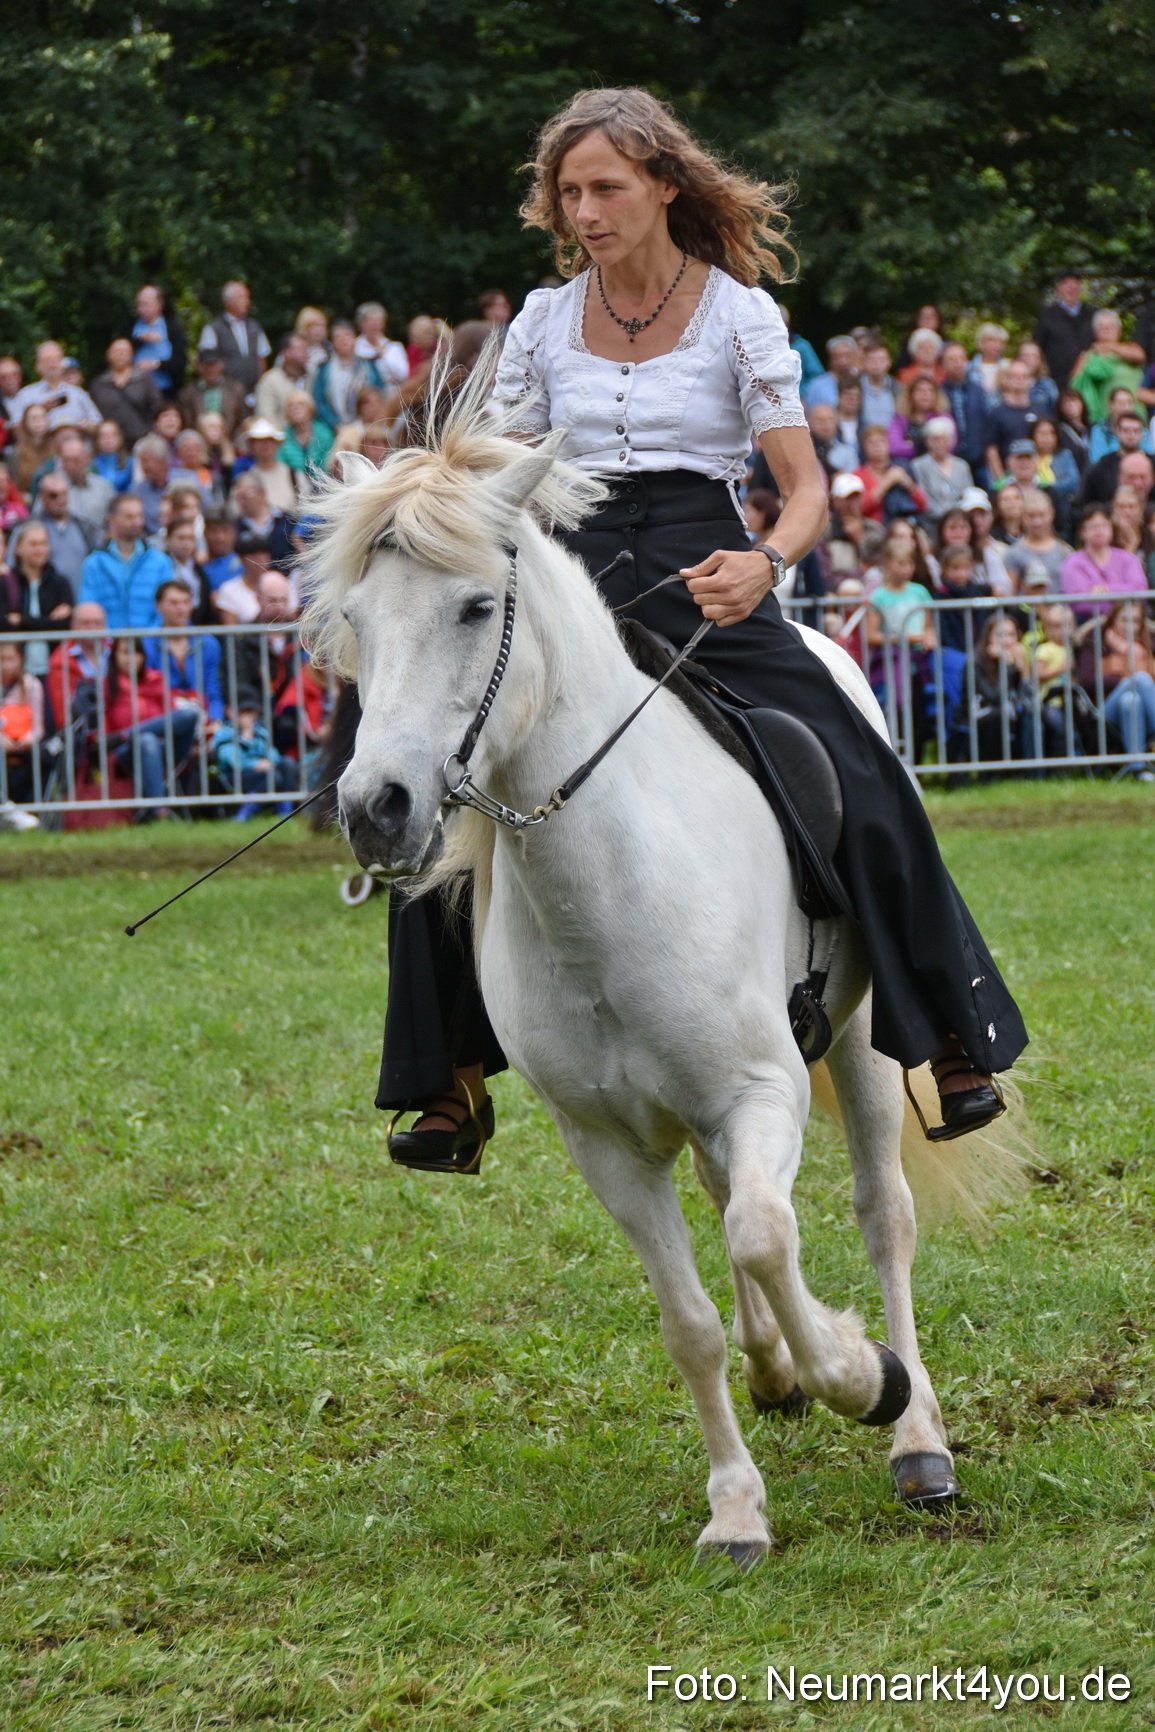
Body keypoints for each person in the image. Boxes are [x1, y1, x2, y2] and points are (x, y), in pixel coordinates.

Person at [378, 84, 1024, 1172]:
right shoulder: (541, 320)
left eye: (606, 188)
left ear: (664, 184)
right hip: (570, 581)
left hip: (706, 572)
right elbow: (504, 478)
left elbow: (806, 490)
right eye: (568, 192)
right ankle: (444, 1080)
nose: (584, 211)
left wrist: (767, 562)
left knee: (862, 768)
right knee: (438, 780)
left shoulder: (739, 312)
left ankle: (952, 1036)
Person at [103, 634, 199, 817]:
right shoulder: (107, 686)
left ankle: (129, 733)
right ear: (114, 656)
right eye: (125, 652)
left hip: (165, 747)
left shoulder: (157, 680)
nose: (132, 658)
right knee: (147, 740)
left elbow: (172, 720)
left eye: (136, 653)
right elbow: (103, 734)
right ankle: (160, 811)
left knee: (190, 713)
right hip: (125, 751)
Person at [78, 493, 171, 630]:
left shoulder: (160, 562)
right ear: (112, 520)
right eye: (129, 517)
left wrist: (148, 640)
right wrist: (110, 642)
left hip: (150, 644)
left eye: (139, 516)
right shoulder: (94, 563)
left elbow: (166, 607)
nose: (136, 522)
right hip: (107, 645)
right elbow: (88, 606)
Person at [1087, 599, 1155, 777]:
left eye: (1136, 620)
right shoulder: (1095, 641)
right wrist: (1127, 654)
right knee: (1139, 679)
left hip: (1143, 713)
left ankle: (1138, 770)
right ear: (1113, 620)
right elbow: (1089, 680)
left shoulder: (1149, 643)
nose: (1130, 626)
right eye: (1125, 620)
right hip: (1104, 711)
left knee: (1131, 700)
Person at [144, 576, 224, 725]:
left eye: (186, 602)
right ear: (158, 606)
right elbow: (149, 691)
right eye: (174, 603)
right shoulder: (146, 644)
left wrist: (216, 719)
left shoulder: (208, 643)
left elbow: (213, 689)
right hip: (162, 718)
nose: (181, 608)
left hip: (203, 714)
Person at [211, 685, 297, 816]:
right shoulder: (224, 734)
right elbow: (235, 762)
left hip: (263, 772)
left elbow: (274, 755)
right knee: (271, 776)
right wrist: (246, 738)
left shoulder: (261, 732)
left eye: (252, 712)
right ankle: (243, 814)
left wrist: (267, 762)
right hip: (234, 777)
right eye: (244, 711)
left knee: (288, 764)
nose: (249, 717)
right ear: (229, 711)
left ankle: (285, 812)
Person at [7, 522, 73, 679]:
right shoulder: (8, 582)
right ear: (18, 548)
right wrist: (48, 620)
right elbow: (5, 624)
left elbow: (64, 625)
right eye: (33, 544)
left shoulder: (59, 582)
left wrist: (22, 620)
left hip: (53, 668)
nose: (39, 549)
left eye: (43, 543)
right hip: (16, 671)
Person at [1061, 502, 1147, 617]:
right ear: (1082, 532)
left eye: (1104, 525)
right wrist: (1119, 598)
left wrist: (1106, 590)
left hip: (1127, 620)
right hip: (1088, 621)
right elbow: (1078, 602)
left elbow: (1139, 589)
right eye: (1093, 527)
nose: (1099, 531)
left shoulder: (1128, 558)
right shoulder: (1073, 562)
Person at [1070, 309, 1147, 425]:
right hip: (1106, 421)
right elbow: (1074, 382)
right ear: (1095, 333)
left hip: (1136, 417)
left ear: (1119, 330)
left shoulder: (1129, 347)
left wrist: (1109, 346)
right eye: (1101, 327)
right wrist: (1088, 356)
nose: (1106, 330)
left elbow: (1140, 356)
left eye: (1111, 326)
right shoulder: (1089, 355)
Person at [10, 342, 100, 434]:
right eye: (47, 360)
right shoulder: (26, 395)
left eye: (57, 359)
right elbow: (16, 427)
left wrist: (86, 425)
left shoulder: (78, 394)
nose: (52, 363)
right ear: (37, 366)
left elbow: (98, 424)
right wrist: (40, 410)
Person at [199, 282, 271, 397]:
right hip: (226, 393)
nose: (247, 302)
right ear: (228, 301)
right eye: (242, 297)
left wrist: (260, 383)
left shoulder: (255, 327)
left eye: (247, 297)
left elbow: (262, 357)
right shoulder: (213, 328)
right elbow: (207, 361)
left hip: (253, 390)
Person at [312, 321, 384, 432]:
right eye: (338, 337)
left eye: (347, 335)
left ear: (355, 339)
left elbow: (380, 392)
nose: (343, 339)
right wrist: (335, 424)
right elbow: (319, 400)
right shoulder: (324, 369)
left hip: (368, 426)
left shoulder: (369, 365)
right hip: (334, 429)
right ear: (332, 343)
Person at [91, 338, 164, 445]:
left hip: (141, 439)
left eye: (124, 352)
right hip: (108, 443)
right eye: (116, 351)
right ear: (108, 355)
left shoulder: (145, 380)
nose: (120, 354)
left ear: (131, 355)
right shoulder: (99, 384)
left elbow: (157, 406)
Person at [1, 639, 47, 805]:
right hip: (2, 743)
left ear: (20, 659)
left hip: (25, 744)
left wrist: (27, 740)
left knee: (43, 758)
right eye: (1, 659)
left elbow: (38, 728)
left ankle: (31, 809)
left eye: (10, 659)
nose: (6, 665)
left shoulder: (31, 685)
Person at [1033, 272, 1097, 390]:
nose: (1071, 289)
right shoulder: (1047, 316)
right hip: (1057, 380)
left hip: (1089, 380)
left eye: (1074, 284)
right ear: (1058, 288)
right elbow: (1037, 346)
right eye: (1066, 284)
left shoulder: (1092, 314)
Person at [31, 471, 93, 590]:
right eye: (53, 495)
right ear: (42, 497)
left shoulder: (84, 527)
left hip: (79, 599)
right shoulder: (32, 528)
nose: (60, 500)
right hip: (45, 601)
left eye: (64, 494)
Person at [939, 341, 990, 481]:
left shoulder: (978, 390)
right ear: (943, 364)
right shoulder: (938, 393)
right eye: (952, 359)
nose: (957, 363)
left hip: (979, 458)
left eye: (961, 358)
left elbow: (987, 421)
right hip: (951, 458)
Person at [123, 284, 187, 395]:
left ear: (159, 305)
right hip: (133, 389)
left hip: (164, 389)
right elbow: (121, 353)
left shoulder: (172, 328)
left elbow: (180, 362)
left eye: (146, 304)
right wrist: (140, 340)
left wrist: (156, 364)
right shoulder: (129, 326)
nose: (141, 309)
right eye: (139, 304)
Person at [1003, 489, 1071, 593]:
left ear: (1051, 515)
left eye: (1042, 515)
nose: (1037, 522)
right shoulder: (1013, 554)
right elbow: (1010, 595)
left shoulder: (1065, 551)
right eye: (1031, 516)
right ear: (1023, 517)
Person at [854, 424, 924, 522]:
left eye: (881, 441)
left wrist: (909, 484)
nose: (877, 446)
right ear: (864, 448)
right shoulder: (858, 475)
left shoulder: (902, 467)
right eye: (871, 442)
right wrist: (887, 482)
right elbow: (859, 508)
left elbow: (923, 505)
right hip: (874, 528)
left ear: (888, 444)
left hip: (904, 523)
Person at [1079, 409, 1151, 504]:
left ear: (1143, 433)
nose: (1131, 435)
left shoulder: (1152, 463)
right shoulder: (1102, 466)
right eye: (1126, 430)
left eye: (1136, 431)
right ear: (1117, 432)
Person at [911, 416, 972, 523]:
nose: (941, 444)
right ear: (928, 442)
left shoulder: (962, 465)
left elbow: (968, 495)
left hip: (961, 521)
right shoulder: (918, 465)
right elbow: (924, 499)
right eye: (936, 440)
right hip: (933, 522)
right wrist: (947, 518)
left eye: (945, 439)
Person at [54, 432, 115, 541]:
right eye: (67, 460)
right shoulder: (53, 487)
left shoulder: (103, 487)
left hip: (98, 546)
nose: (71, 465)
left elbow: (114, 521)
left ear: (87, 459)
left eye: (76, 460)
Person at [178, 347, 247, 440]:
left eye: (214, 364)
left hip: (231, 440)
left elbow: (242, 419)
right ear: (198, 366)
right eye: (206, 365)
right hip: (199, 443)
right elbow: (188, 423)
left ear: (222, 364)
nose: (211, 369)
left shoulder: (236, 389)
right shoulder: (188, 393)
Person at [985, 360, 1040, 475]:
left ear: (1031, 380)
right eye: (1015, 376)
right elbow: (991, 449)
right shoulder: (996, 413)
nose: (1019, 380)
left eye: (1024, 376)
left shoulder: (1041, 410)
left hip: (1038, 476)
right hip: (1008, 476)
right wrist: (1000, 480)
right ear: (1007, 380)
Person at [254, 332, 313, 430]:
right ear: (286, 353)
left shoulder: (314, 377)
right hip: (280, 438)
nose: (305, 352)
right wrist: (285, 438)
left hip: (313, 438)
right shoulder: (270, 380)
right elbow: (266, 415)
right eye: (300, 348)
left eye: (306, 348)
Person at [238, 417, 298, 514]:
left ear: (276, 444)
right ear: (251, 445)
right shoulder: (244, 479)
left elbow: (306, 511)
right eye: (259, 440)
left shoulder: (294, 476)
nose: (265, 444)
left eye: (270, 439)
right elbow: (236, 512)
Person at [964, 486, 1013, 595]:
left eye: (982, 514)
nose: (977, 520)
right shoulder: (955, 551)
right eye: (971, 516)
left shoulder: (1002, 550)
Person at [280, 390, 334, 484]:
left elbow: (327, 465)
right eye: (291, 406)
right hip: (293, 485)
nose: (295, 408)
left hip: (322, 484)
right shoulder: (283, 438)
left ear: (310, 409)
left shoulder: (324, 434)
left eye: (301, 404)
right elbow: (281, 466)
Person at [888, 375, 948, 460]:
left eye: (930, 391)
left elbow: (948, 446)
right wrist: (923, 447)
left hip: (935, 463)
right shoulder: (900, 419)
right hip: (907, 464)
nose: (926, 394)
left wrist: (912, 444)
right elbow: (894, 447)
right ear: (911, 395)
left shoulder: (943, 418)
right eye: (920, 391)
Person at [1087, 388, 1152, 465]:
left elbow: (1149, 455)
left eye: (1129, 403)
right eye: (1121, 403)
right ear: (1111, 405)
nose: (1125, 407)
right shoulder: (1100, 430)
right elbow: (1097, 459)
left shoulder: (1142, 429)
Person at [355, 302, 409, 384]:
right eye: (371, 321)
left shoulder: (394, 347)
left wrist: (383, 356)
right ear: (361, 324)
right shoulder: (354, 346)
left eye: (378, 321)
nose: (375, 325)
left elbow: (404, 375)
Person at [129, 434, 172, 536]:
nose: (142, 466)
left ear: (161, 461)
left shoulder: (184, 481)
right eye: (141, 461)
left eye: (145, 461)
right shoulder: (138, 490)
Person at [804, 334, 861, 409]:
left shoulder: (862, 381)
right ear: (830, 359)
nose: (843, 361)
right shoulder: (818, 385)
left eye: (847, 356)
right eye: (837, 357)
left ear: (854, 356)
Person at [202, 507, 242, 596]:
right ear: (204, 533)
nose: (219, 537)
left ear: (235, 533)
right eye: (213, 530)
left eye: (225, 530)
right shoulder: (198, 566)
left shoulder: (243, 566)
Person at [858, 340, 897, 428]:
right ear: (864, 362)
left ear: (889, 362)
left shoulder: (898, 388)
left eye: (881, 360)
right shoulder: (855, 387)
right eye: (872, 360)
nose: (876, 364)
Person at [968, 323, 1009, 406]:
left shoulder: (1008, 367)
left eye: (1000, 341)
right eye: (991, 340)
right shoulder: (968, 368)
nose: (996, 345)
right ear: (981, 342)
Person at [92, 420, 133, 494]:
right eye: (103, 435)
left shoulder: (131, 463)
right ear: (97, 440)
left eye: (113, 435)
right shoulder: (91, 464)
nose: (108, 438)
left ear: (120, 439)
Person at [293, 306, 330, 373]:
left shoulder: (328, 350)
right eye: (315, 326)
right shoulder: (291, 348)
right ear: (304, 327)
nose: (319, 330)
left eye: (322, 326)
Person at [991, 480, 1025, 545]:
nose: (1011, 502)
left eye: (1016, 498)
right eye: (1005, 499)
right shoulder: (992, 538)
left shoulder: (1032, 532)